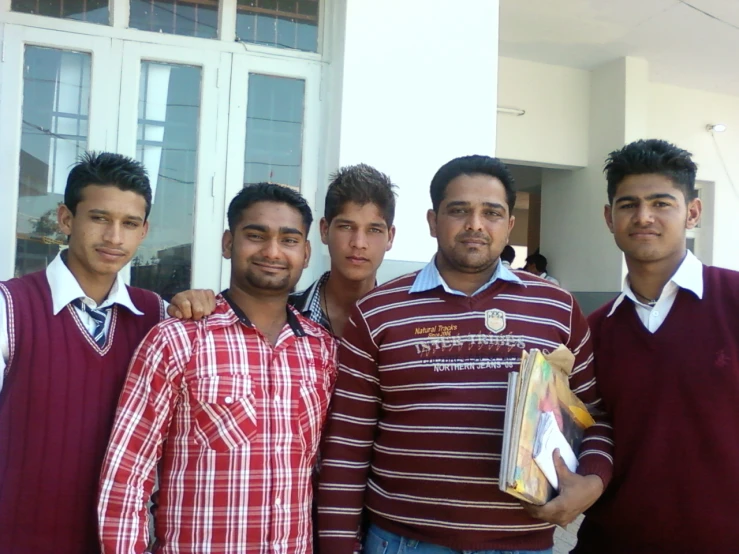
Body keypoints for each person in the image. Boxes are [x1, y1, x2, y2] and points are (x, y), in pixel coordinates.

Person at [316, 155, 614, 554]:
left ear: (509, 225)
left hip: (523, 544)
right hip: (404, 543)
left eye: (491, 212)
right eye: (459, 210)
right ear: (432, 221)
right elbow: (348, 443)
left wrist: (592, 481)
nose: (475, 224)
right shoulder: (378, 312)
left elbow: (593, 414)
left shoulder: (556, 307)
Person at [98, 183, 338, 554]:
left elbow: (322, 470)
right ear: (228, 244)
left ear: (306, 253)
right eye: (256, 236)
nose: (272, 252)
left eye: (289, 240)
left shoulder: (320, 350)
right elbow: (127, 474)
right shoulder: (178, 340)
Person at [0, 152, 213, 554]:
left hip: (117, 541)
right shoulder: (11, 308)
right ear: (66, 219)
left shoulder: (154, 315)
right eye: (99, 218)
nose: (114, 237)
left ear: (144, 230)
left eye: (129, 223)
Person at [574, 139, 739, 553]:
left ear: (693, 212)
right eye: (628, 204)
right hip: (613, 541)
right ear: (609, 218)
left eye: (661, 203)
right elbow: (590, 430)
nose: (643, 216)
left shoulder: (734, 300)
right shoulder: (593, 331)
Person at [290, 164, 396, 336]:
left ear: (390, 237)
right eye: (346, 227)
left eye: (374, 230)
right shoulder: (285, 315)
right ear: (324, 230)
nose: (359, 243)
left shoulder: (402, 323)